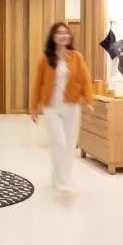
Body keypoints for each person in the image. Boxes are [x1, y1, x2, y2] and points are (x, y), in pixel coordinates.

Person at [30, 22, 95, 191]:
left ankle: (62, 179)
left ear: (69, 37)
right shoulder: (46, 59)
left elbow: (86, 80)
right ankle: (61, 181)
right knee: (59, 142)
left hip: (72, 107)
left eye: (66, 33)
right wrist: (34, 107)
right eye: (59, 33)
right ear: (53, 37)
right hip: (51, 107)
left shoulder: (76, 57)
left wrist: (88, 101)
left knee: (69, 145)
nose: (63, 36)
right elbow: (38, 84)